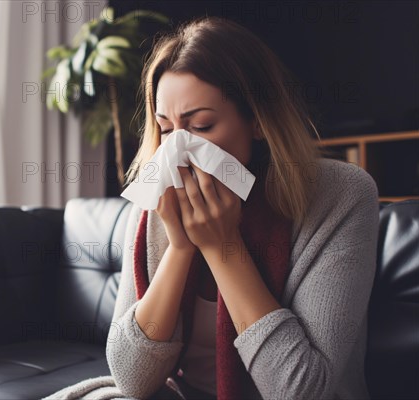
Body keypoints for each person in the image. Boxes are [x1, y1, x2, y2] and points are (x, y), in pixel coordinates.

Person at [44, 15, 378, 400]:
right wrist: (181, 247)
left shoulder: (339, 195)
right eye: (167, 129)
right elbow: (132, 380)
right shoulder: (159, 193)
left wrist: (222, 246)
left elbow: (301, 391)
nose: (178, 151)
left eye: (201, 127)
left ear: (258, 121)